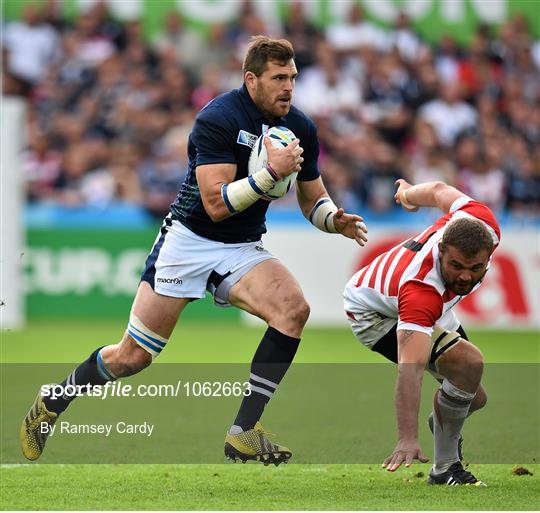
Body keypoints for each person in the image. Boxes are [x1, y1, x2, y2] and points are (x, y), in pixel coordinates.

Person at [21, 36, 368, 465]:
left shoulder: (300, 126)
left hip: (241, 247)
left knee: (293, 310)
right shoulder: (218, 117)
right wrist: (270, 174)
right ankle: (53, 400)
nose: (288, 87)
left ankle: (243, 432)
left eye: (293, 78)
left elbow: (312, 199)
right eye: (278, 78)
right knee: (133, 356)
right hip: (187, 244)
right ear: (251, 79)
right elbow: (215, 204)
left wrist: (334, 219)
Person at [343, 179, 500, 486]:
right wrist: (407, 437)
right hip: (375, 315)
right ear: (441, 250)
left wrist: (406, 194)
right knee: (469, 364)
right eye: (456, 265)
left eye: (476, 268)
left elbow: (440, 190)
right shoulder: (421, 291)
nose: (465, 276)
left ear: (491, 250)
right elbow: (409, 369)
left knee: (474, 398)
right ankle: (445, 469)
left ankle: (443, 425)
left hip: (431, 307)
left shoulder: (482, 221)